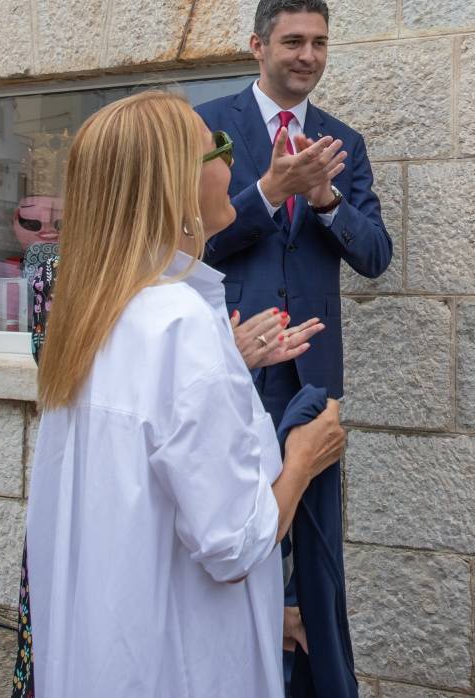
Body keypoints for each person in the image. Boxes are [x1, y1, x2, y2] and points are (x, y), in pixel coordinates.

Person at [23, 91, 345, 698]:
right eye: (218, 149)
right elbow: (233, 543)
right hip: (177, 667)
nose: (234, 166)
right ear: (174, 181)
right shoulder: (179, 323)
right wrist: (305, 456)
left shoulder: (92, 313)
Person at [195, 0, 392, 682]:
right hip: (229, 368)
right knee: (233, 539)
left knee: (312, 549)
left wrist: (325, 200)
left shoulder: (345, 143)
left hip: (311, 380)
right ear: (258, 46)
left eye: (319, 44)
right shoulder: (207, 127)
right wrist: (269, 193)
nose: (307, 56)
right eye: (293, 42)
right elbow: (193, 244)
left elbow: (374, 257)